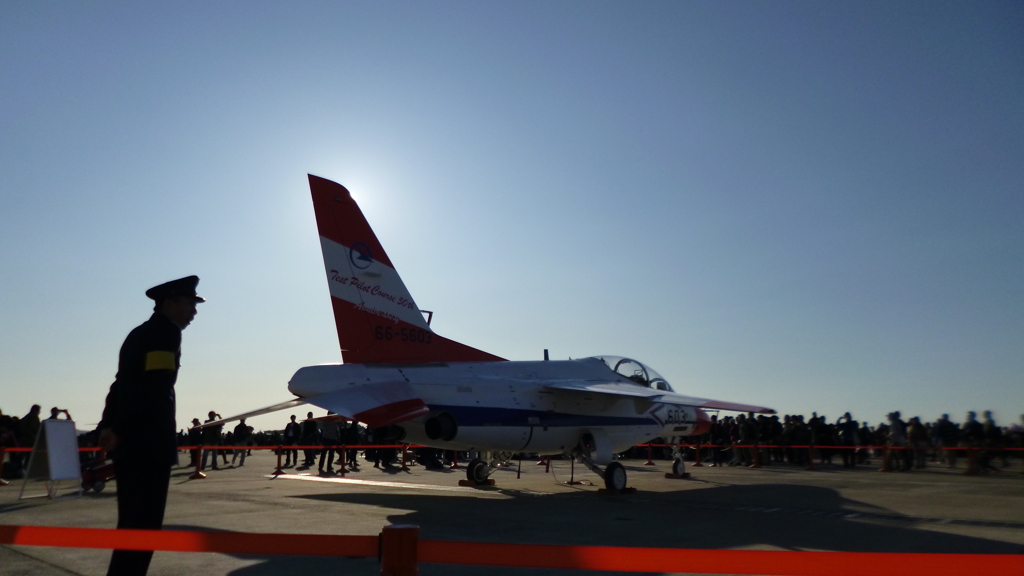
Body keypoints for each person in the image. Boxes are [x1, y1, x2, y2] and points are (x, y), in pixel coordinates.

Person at [97, 275, 204, 576]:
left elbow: (120, 385)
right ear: (169, 302)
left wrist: (109, 426)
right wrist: (118, 428)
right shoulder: (165, 333)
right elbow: (153, 388)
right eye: (189, 303)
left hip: (131, 443)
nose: (193, 312)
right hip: (146, 444)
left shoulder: (139, 333)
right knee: (142, 527)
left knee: (131, 524)